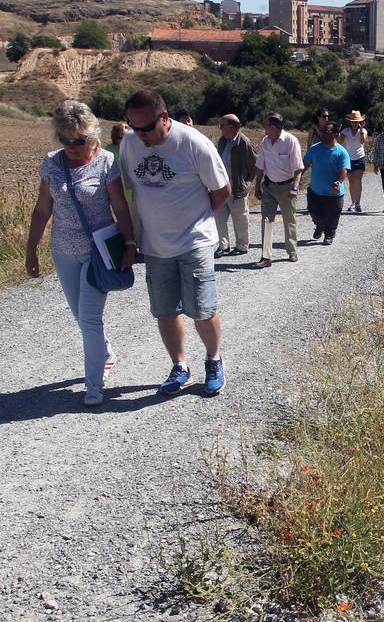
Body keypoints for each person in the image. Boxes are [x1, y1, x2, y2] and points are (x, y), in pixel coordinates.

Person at [25, 100, 136, 406]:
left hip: (97, 253)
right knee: (79, 316)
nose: (72, 147)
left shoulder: (105, 163)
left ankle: (94, 384)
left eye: (79, 140)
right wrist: (31, 248)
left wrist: (129, 243)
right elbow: (41, 210)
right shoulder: (51, 163)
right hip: (63, 252)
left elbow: (120, 206)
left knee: (89, 319)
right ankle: (106, 352)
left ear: (92, 135)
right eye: (65, 140)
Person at [120, 89, 231, 397]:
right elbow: (131, 192)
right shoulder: (130, 143)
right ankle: (179, 365)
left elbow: (222, 190)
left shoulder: (193, 143)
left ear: (164, 119)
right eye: (133, 126)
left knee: (202, 309)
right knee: (165, 311)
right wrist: (131, 239)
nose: (139, 134)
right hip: (154, 246)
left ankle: (213, 359)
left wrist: (197, 220)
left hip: (195, 241)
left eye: (145, 128)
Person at [253, 112, 304, 268]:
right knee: (266, 220)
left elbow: (298, 169)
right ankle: (266, 257)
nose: (264, 128)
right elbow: (260, 166)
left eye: (265, 125)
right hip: (268, 186)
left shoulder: (291, 141)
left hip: (287, 187)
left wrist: (295, 187)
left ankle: (292, 251)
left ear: (273, 127)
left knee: (289, 219)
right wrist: (257, 186)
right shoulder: (265, 142)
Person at [214, 114, 258, 258]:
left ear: (232, 127)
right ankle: (223, 246)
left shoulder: (244, 142)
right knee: (219, 219)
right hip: (221, 188)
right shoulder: (222, 141)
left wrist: (246, 182)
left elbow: (255, 164)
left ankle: (242, 246)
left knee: (240, 219)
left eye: (223, 125)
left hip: (237, 188)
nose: (220, 128)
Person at [303, 120, 350, 245]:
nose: (322, 134)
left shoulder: (341, 152)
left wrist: (338, 183)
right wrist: (295, 180)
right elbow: (304, 165)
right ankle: (320, 225)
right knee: (314, 212)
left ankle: (329, 234)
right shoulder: (314, 149)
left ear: (335, 134)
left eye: (326, 132)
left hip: (334, 193)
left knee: (333, 216)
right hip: (315, 190)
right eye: (322, 131)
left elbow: (343, 170)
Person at [339, 110, 367, 213]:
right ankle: (353, 203)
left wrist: (362, 130)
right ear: (350, 122)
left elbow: (363, 140)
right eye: (353, 122)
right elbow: (339, 141)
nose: (355, 124)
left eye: (357, 122)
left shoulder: (363, 131)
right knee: (351, 182)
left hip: (359, 158)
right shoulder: (345, 131)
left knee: (357, 180)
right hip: (348, 158)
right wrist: (338, 132)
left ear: (360, 122)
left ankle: (358, 203)